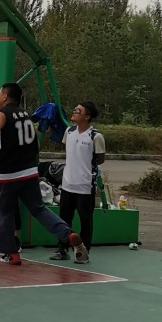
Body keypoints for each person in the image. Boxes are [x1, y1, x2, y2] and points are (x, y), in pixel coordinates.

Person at [0, 82, 88, 265]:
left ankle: (10, 253)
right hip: (29, 172)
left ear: (5, 96)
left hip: (7, 175)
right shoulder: (25, 114)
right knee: (39, 209)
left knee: (5, 214)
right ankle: (68, 234)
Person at [51, 101, 105, 261]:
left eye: (78, 111)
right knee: (64, 219)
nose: (74, 112)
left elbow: (100, 159)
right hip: (67, 184)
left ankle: (84, 251)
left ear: (87, 116)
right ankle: (62, 249)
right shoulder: (69, 131)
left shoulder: (95, 136)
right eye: (74, 109)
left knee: (85, 220)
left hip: (85, 186)